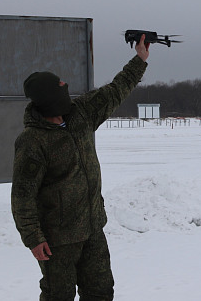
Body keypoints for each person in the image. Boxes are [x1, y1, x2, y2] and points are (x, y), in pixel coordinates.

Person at [11, 34, 150, 301]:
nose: (66, 89)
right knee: (58, 296)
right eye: (60, 87)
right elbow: (22, 195)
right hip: (57, 240)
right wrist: (33, 237)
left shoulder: (81, 114)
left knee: (100, 291)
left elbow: (115, 90)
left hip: (92, 228)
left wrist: (139, 60)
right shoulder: (32, 141)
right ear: (48, 98)